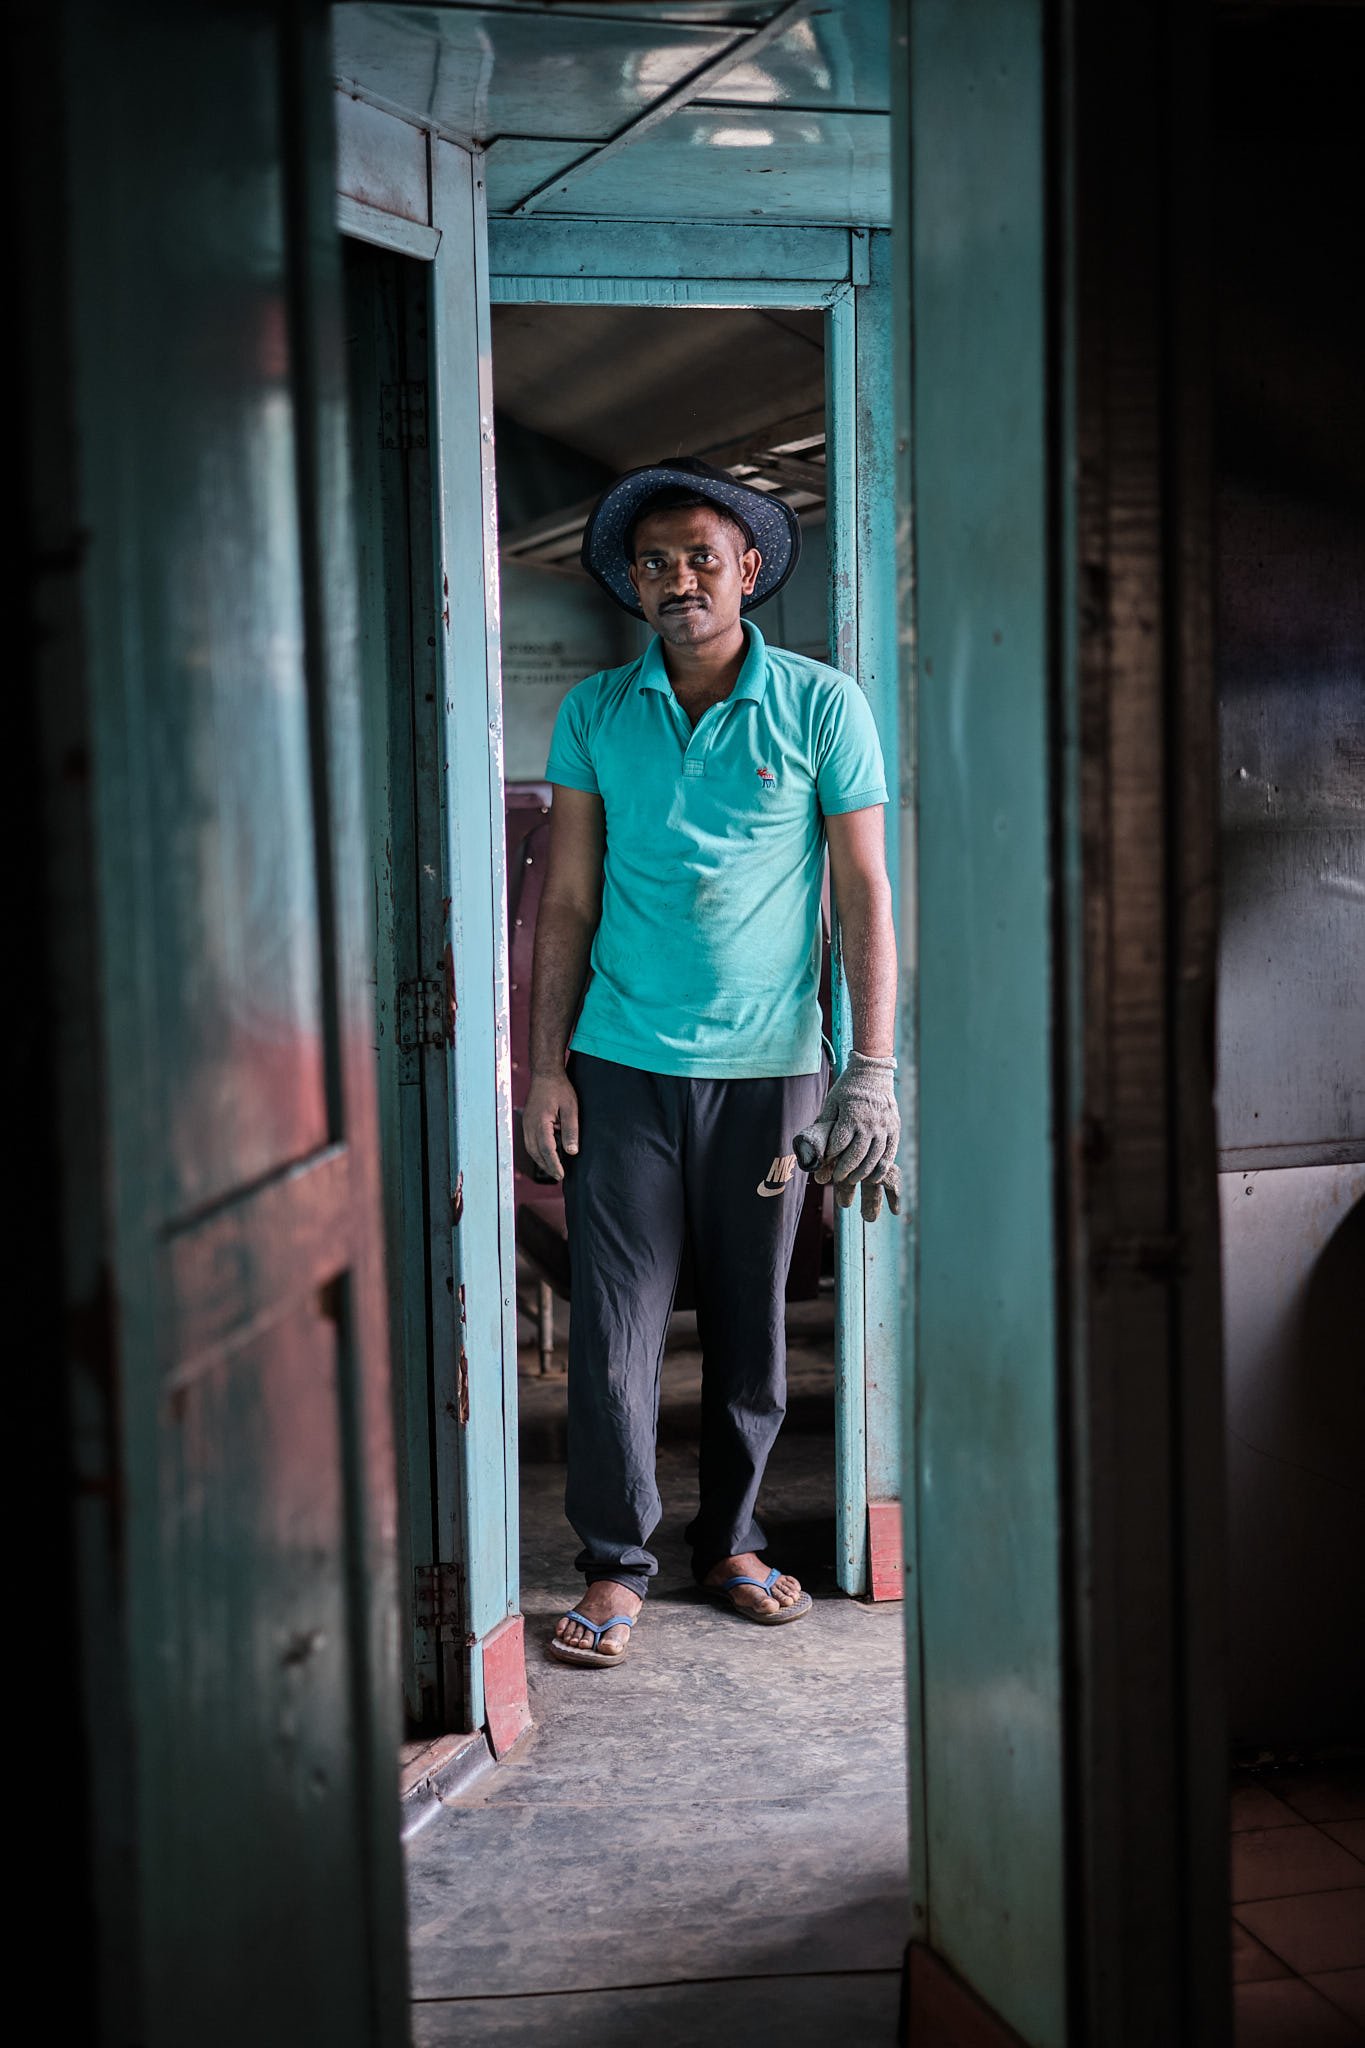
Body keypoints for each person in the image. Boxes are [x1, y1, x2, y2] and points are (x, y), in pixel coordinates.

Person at [523, 456, 900, 1669]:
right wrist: (544, 1068)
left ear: (748, 569)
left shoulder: (822, 705)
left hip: (774, 1068)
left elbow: (863, 890)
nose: (679, 578)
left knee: (751, 1325)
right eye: (655, 562)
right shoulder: (595, 712)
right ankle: (614, 1558)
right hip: (621, 1061)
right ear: (633, 586)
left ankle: (731, 1538)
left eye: (701, 556)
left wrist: (872, 1067)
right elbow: (567, 900)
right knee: (616, 1329)